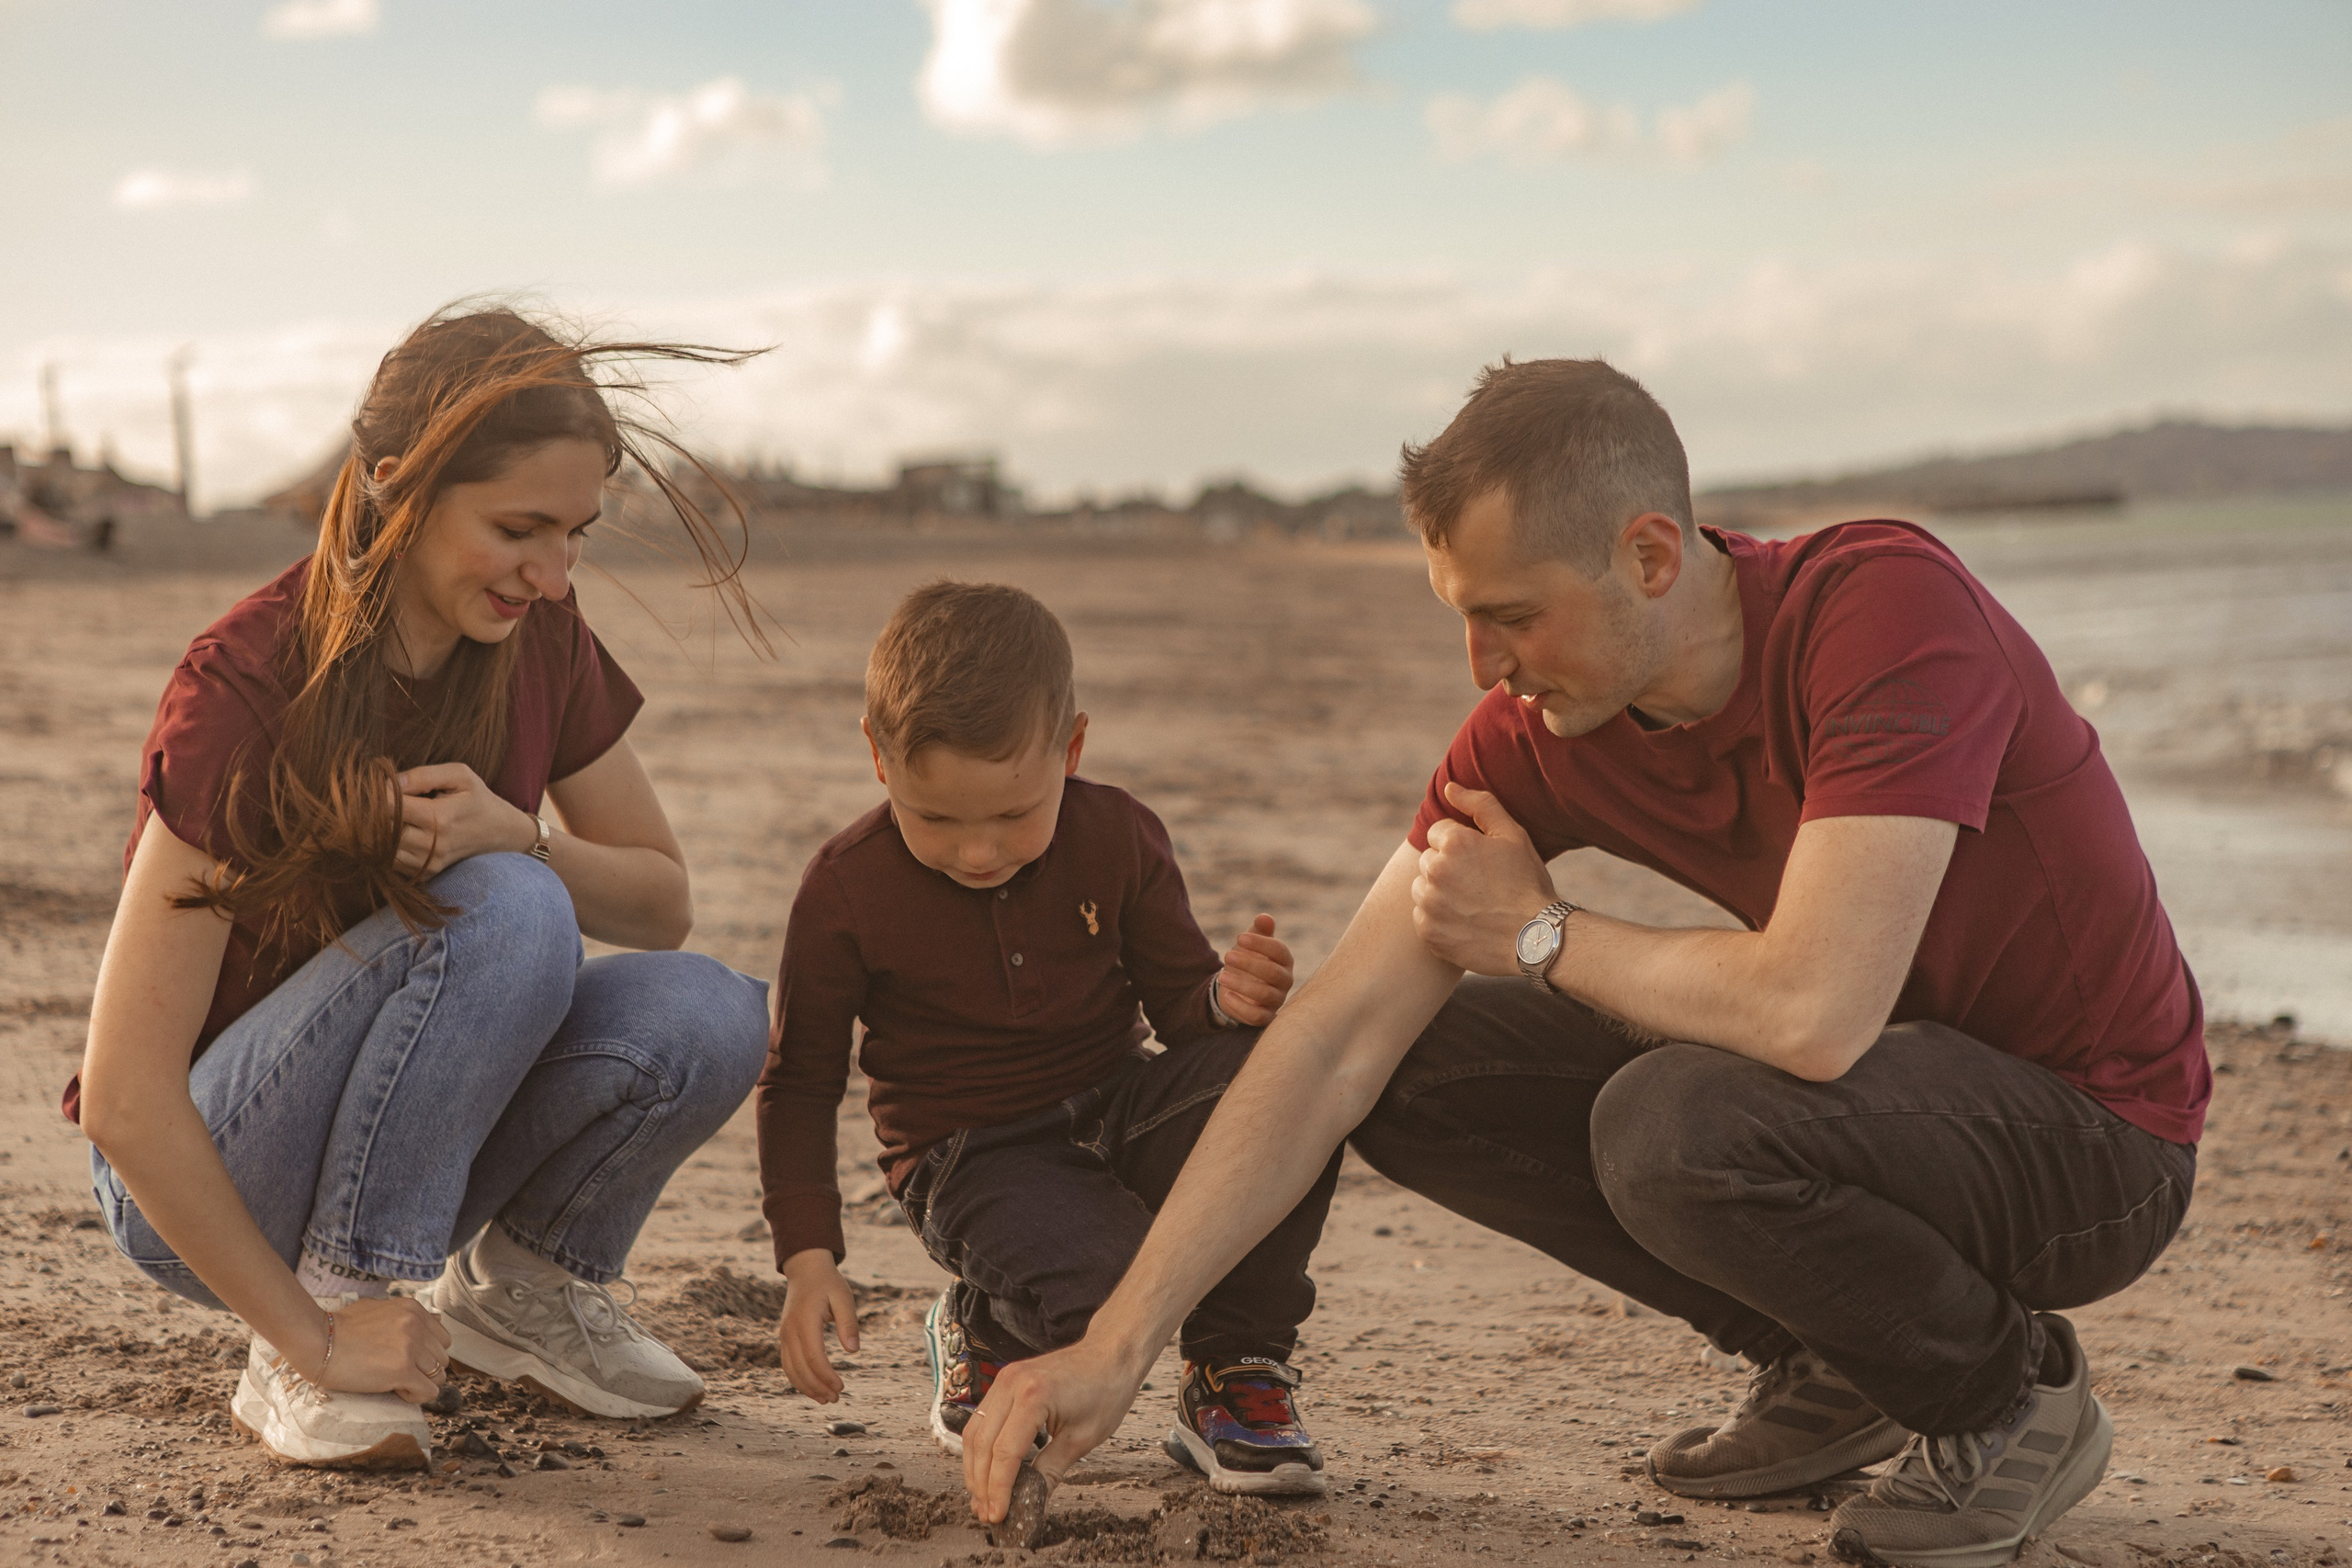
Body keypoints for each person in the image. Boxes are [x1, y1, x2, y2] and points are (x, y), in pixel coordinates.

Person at [962, 359, 2206, 1568]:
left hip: (2096, 1139)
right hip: (1880, 1104)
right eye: (1461, 613)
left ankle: (2006, 1392)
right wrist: (1121, 1341)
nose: (1482, 662)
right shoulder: (1539, 725)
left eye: (1510, 614)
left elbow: (1818, 1012)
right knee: (1410, 1062)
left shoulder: (1883, 609)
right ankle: (1839, 1357)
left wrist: (1540, 934)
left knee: (1676, 1124)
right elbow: (1332, 1039)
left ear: (1650, 557)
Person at [74, 306, 775, 1470]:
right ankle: (334, 1317)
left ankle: (523, 1292)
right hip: (207, 1179)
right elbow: (124, 1100)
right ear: (399, 486)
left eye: (578, 535)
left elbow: (660, 901)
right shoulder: (247, 684)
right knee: (509, 909)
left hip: (421, 1133)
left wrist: (522, 833)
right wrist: (307, 1334)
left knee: (711, 1010)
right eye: (519, 529)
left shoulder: (541, 637)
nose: (552, 576)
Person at [756, 581, 1337, 1495]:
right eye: (936, 819)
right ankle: (986, 1325)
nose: (978, 851)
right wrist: (808, 1254)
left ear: (1070, 749)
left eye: (1013, 814)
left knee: (1288, 1082)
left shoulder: (1118, 835)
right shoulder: (843, 892)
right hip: (969, 1156)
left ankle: (1234, 1372)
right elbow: (799, 1080)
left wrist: (1224, 999)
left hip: (1116, 1099)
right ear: (878, 757)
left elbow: (1179, 1005)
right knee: (1106, 1291)